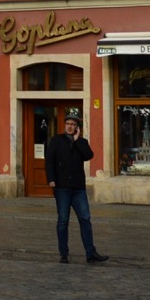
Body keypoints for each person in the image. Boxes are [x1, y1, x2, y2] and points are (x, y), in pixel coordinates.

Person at [43, 113, 108, 264]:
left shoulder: (82, 142)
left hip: (78, 188)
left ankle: (90, 253)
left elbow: (89, 155)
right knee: (63, 220)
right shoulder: (56, 141)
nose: (70, 126)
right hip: (62, 187)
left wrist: (78, 141)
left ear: (77, 128)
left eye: (73, 124)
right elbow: (49, 162)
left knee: (85, 219)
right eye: (68, 124)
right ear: (65, 126)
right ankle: (63, 253)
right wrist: (51, 179)